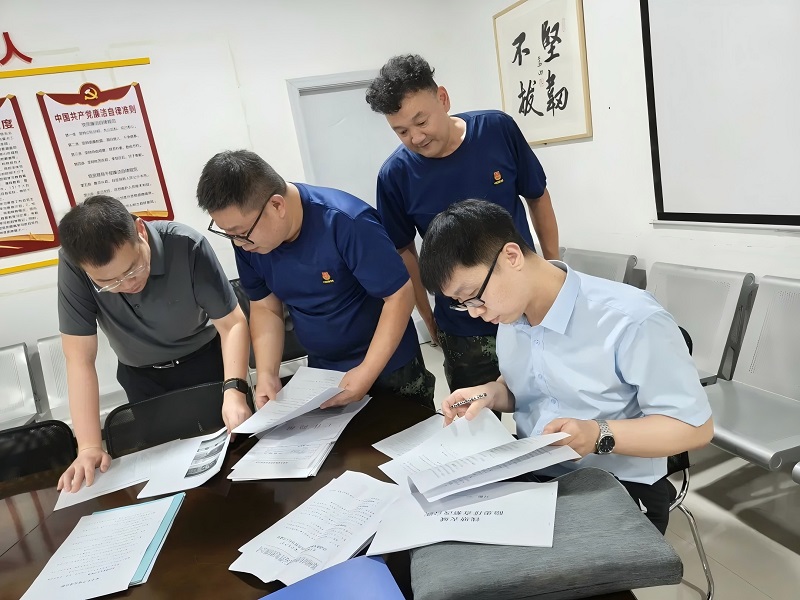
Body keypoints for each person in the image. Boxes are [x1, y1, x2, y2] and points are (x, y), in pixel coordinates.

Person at [417, 199, 714, 533]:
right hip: (535, 470)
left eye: (473, 295)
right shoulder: (510, 313)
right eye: (462, 304)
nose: (474, 311)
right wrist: (491, 393)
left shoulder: (630, 320)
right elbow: (528, 388)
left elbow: (695, 428)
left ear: (511, 257)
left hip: (617, 483)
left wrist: (598, 434)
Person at [366, 53, 560, 394]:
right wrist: (427, 314)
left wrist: (554, 269)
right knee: (474, 412)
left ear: (442, 99)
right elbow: (404, 250)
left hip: (529, 307)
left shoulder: (496, 130)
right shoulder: (395, 175)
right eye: (402, 131)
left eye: (421, 121)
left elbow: (537, 196)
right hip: (464, 322)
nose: (416, 137)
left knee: (552, 402)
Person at [196, 150, 435, 410]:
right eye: (228, 233)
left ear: (277, 206)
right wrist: (267, 374)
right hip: (324, 373)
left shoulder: (346, 221)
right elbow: (265, 306)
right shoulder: (250, 243)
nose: (238, 243)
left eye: (240, 232)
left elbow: (399, 295)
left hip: (389, 367)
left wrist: (367, 371)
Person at [56, 195, 252, 492]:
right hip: (143, 380)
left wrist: (234, 391)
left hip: (206, 365)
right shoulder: (74, 265)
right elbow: (79, 358)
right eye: (110, 283)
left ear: (141, 232)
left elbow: (232, 323)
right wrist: (88, 447)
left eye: (133, 268)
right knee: (167, 471)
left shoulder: (186, 246)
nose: (128, 285)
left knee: (233, 458)